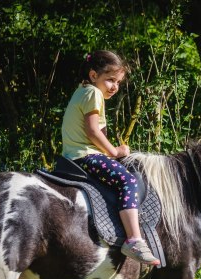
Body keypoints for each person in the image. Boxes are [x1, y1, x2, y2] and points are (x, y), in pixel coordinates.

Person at [61, 50, 159, 266]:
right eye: (110, 80)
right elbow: (93, 132)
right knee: (128, 180)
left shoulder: (81, 91)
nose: (114, 86)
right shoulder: (94, 94)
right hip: (85, 156)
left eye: (118, 82)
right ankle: (134, 240)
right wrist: (115, 152)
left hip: (73, 156)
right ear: (94, 75)